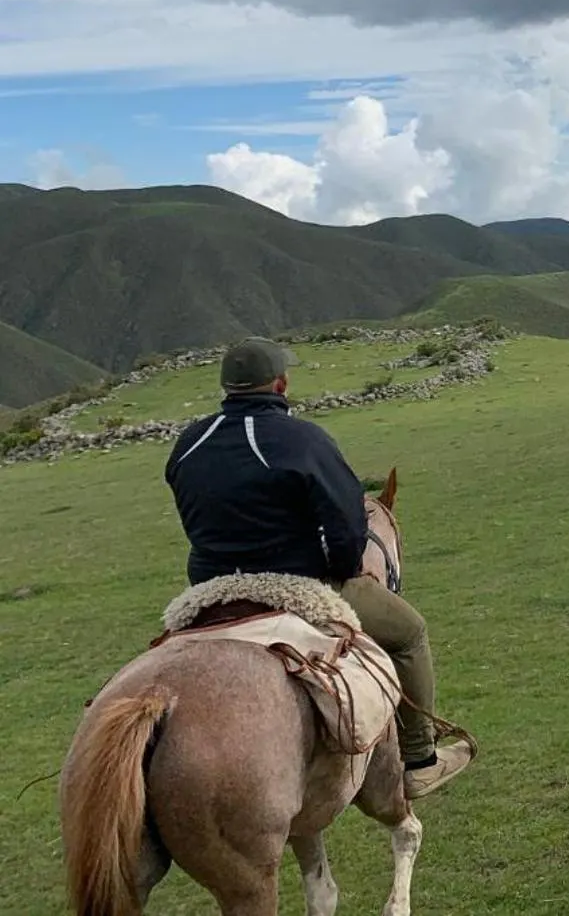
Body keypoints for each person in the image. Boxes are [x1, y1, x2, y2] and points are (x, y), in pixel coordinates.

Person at [164, 338, 474, 799]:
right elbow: (346, 524)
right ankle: (419, 760)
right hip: (297, 585)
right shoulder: (302, 439)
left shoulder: (189, 443)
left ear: (226, 387)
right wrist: (343, 569)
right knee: (409, 632)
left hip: (211, 590)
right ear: (282, 383)